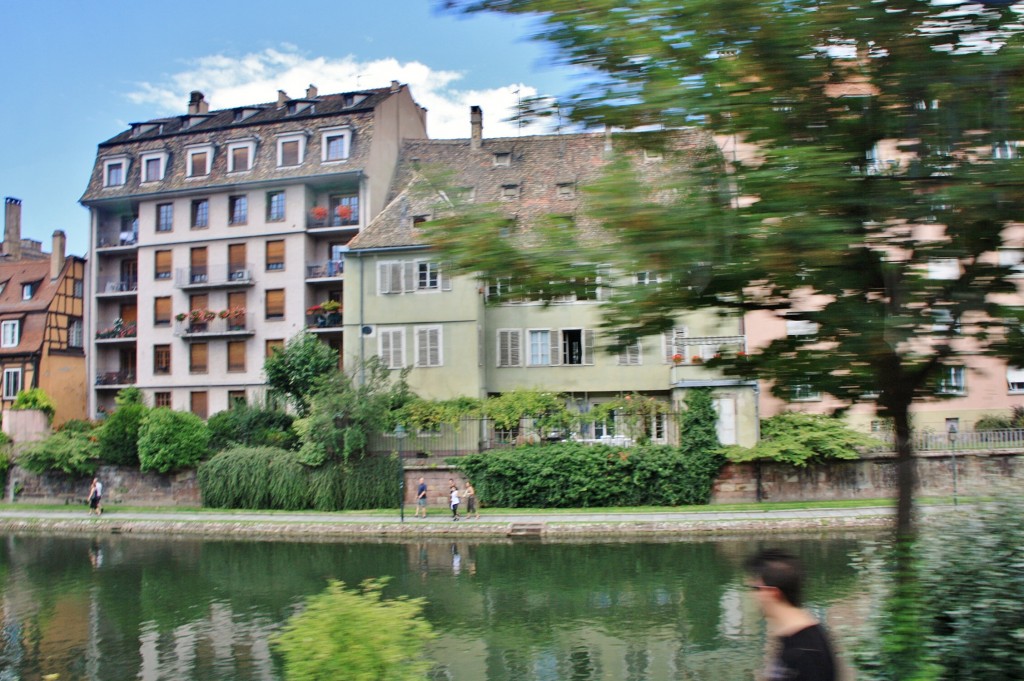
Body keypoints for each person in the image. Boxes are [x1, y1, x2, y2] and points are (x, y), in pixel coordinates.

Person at [745, 548, 836, 681]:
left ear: (773, 593)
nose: (752, 595)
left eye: (755, 588)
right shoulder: (801, 637)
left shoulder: (805, 653)